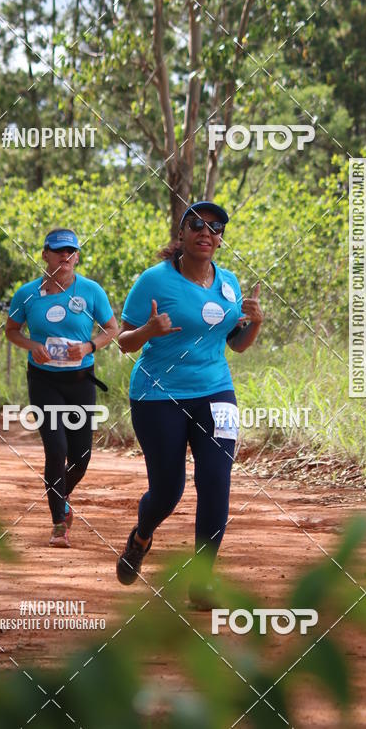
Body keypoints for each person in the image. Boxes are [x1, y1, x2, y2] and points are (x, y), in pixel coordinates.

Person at [115, 202, 263, 605]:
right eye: (196, 224)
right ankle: (141, 537)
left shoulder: (228, 282)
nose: (206, 232)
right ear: (181, 235)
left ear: (221, 239)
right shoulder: (154, 280)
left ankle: (201, 581)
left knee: (216, 482)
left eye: (215, 227)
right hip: (158, 395)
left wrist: (255, 323)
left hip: (216, 392)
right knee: (168, 491)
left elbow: (236, 345)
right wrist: (148, 330)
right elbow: (124, 342)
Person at [6, 228, 118, 548]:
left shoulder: (91, 291)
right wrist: (32, 346)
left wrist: (89, 347)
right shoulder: (26, 294)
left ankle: (60, 494)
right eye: (58, 251)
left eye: (70, 251)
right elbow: (12, 330)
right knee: (56, 450)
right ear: (45, 255)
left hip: (81, 381)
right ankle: (59, 523)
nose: (64, 256)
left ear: (77, 257)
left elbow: (112, 328)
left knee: (81, 457)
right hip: (44, 381)